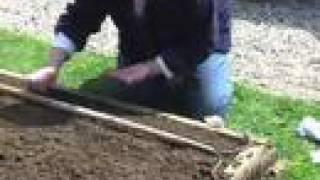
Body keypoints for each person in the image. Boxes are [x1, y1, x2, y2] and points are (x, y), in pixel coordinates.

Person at [28, 0, 234, 127]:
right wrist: (53, 66)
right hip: (140, 44)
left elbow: (202, 41)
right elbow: (79, 18)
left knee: (208, 107)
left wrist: (150, 68)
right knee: (105, 97)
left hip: (202, 46)